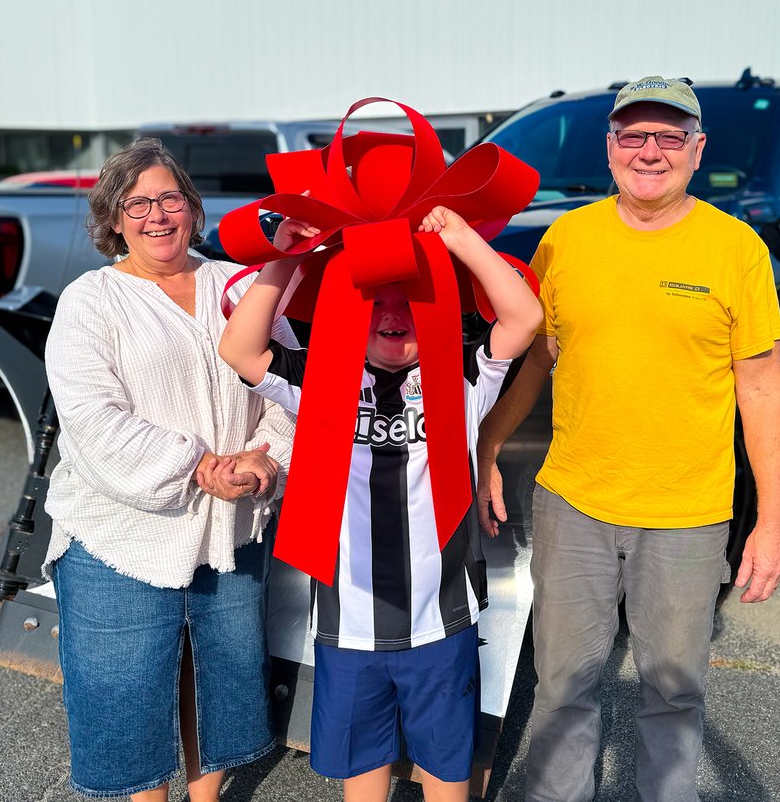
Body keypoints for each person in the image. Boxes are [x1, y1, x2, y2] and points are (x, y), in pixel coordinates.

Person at [476, 77, 780, 801]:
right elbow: (537, 358)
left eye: (669, 135)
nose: (650, 151)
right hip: (574, 506)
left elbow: (764, 387)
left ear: (697, 148)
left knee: (672, 697)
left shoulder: (734, 248)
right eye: (633, 135)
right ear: (611, 146)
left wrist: (771, 523)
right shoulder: (567, 240)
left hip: (687, 514)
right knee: (561, 688)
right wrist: (487, 445)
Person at [218, 205, 543, 802]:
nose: (392, 314)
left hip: (441, 615)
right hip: (349, 617)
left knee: (446, 767)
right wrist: (288, 257)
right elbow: (239, 347)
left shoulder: (463, 374)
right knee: (362, 764)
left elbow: (524, 316)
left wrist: (463, 238)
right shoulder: (323, 375)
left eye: (410, 301)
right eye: (376, 302)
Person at [42, 137, 298, 802]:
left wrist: (265, 458)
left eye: (170, 198)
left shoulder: (237, 284)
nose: (157, 215)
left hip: (229, 525)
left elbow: (292, 385)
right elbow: (94, 421)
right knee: (127, 689)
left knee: (222, 676)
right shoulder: (90, 301)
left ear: (193, 208)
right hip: (121, 535)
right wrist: (199, 466)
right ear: (113, 218)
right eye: (138, 203)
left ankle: (205, 797)